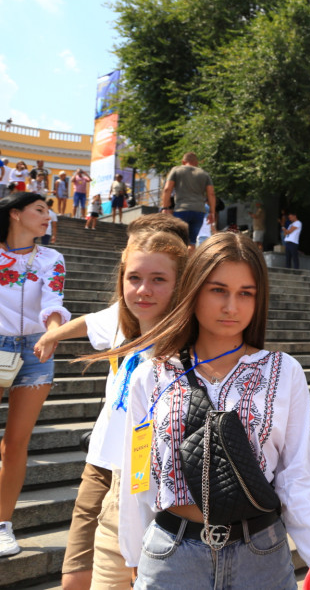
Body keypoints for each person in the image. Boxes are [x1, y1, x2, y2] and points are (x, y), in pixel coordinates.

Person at [103, 232, 310, 589]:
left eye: (246, 293)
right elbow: (139, 473)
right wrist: (134, 552)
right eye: (218, 290)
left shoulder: (283, 371)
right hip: (172, 555)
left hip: (260, 555)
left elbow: (298, 473)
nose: (231, 307)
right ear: (194, 290)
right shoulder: (152, 375)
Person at [37, 219, 189, 590]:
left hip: (146, 477)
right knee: (75, 577)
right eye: (134, 276)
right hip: (102, 462)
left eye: (158, 279)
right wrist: (52, 335)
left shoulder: (189, 341)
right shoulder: (124, 317)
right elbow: (88, 322)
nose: (143, 289)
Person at [0, 192, 70, 557]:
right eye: (39, 210)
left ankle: (2, 525)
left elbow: (52, 302)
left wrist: (52, 333)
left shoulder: (51, 258)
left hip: (36, 350)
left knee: (15, 444)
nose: (48, 216)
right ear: (15, 214)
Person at [160, 152, 216, 248]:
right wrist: (212, 212)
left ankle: (179, 258)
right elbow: (211, 194)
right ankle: (189, 257)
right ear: (196, 162)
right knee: (192, 243)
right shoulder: (204, 174)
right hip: (199, 211)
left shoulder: (176, 170)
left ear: (183, 162)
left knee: (178, 241)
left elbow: (167, 189)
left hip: (181, 210)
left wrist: (165, 208)